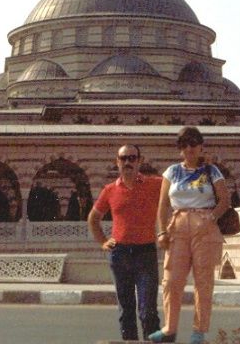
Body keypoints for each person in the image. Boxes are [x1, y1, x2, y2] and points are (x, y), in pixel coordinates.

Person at [149, 127, 230, 344]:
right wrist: (162, 231)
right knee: (171, 280)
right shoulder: (172, 172)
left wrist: (210, 218)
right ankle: (169, 328)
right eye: (184, 145)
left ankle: (199, 331)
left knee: (203, 280)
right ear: (180, 149)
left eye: (193, 143)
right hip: (178, 225)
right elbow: (163, 205)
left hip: (204, 226)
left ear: (201, 146)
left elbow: (224, 200)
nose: (189, 148)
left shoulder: (211, 171)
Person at [88, 144, 163, 341]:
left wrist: (201, 164)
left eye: (132, 158)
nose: (128, 162)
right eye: (123, 158)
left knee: (148, 310)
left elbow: (178, 186)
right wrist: (103, 241)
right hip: (119, 254)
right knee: (126, 310)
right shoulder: (110, 190)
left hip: (145, 254)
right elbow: (93, 219)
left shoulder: (155, 184)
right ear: (117, 162)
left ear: (140, 161)